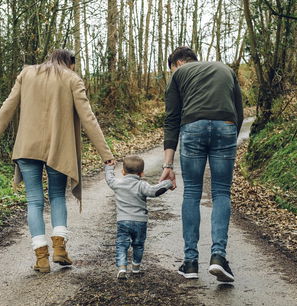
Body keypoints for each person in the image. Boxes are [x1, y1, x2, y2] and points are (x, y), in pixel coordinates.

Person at [0, 49, 115, 273]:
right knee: (57, 196)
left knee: (34, 201)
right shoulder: (72, 78)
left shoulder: (26, 74)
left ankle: (42, 258)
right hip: (59, 149)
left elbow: (9, 105)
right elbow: (88, 118)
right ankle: (60, 249)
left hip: (27, 147)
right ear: (70, 63)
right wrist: (106, 154)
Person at [159, 46, 244, 282]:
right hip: (226, 126)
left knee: (193, 193)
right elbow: (240, 112)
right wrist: (227, 138)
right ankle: (218, 258)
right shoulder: (225, 69)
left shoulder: (178, 74)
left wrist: (168, 165)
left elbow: (172, 119)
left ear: (177, 64)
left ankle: (190, 263)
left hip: (192, 127)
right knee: (221, 192)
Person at [105, 156, 173, 279]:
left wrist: (109, 167)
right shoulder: (142, 185)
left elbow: (109, 179)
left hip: (123, 220)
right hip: (140, 221)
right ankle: (136, 267)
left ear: (123, 172)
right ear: (141, 173)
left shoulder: (118, 183)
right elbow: (154, 191)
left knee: (122, 244)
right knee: (138, 244)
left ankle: (122, 267)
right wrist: (167, 183)